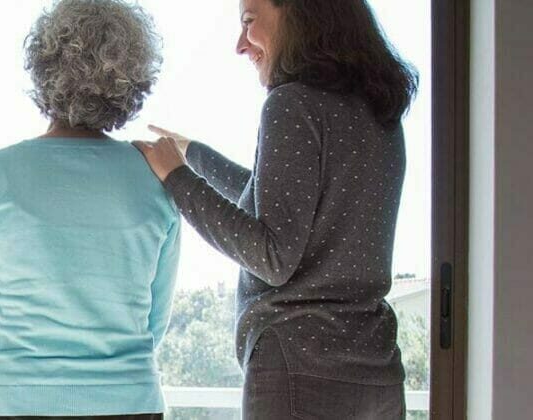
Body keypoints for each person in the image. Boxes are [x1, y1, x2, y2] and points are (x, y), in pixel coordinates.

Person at [133, 0, 418, 418]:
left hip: (298, 366)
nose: (240, 45)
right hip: (376, 371)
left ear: (303, 14)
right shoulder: (379, 113)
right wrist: (191, 154)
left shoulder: (292, 103)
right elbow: (271, 194)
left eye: (249, 21)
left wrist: (178, 180)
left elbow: (272, 255)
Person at [0, 1, 178, 418]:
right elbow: (155, 316)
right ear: (131, 80)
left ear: (43, 68)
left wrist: (14, 380)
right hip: (129, 401)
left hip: (11, 400)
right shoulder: (158, 177)